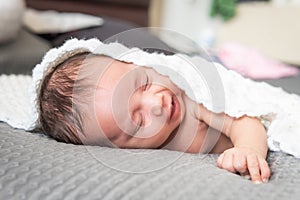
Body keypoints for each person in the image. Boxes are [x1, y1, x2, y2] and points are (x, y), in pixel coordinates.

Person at [39, 51, 270, 184]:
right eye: (139, 122)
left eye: (144, 83)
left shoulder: (194, 101)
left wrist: (248, 149)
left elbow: (244, 120)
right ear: (120, 149)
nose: (157, 104)